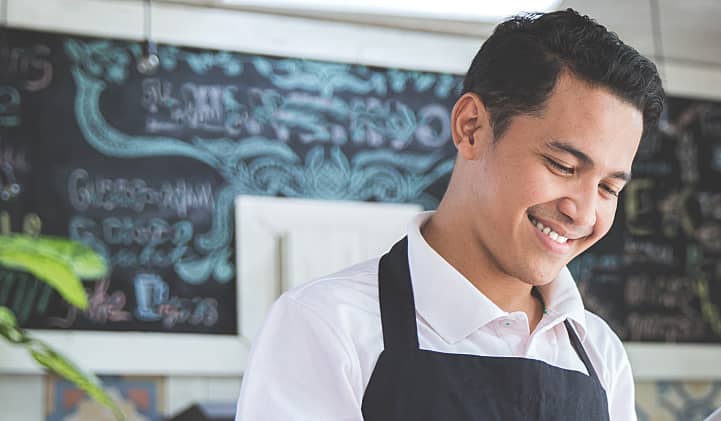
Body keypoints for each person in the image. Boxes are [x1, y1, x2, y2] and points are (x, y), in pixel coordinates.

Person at [236, 9, 663, 420]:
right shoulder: (326, 326)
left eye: (609, 188)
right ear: (471, 127)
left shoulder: (599, 351)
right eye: (563, 166)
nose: (584, 212)